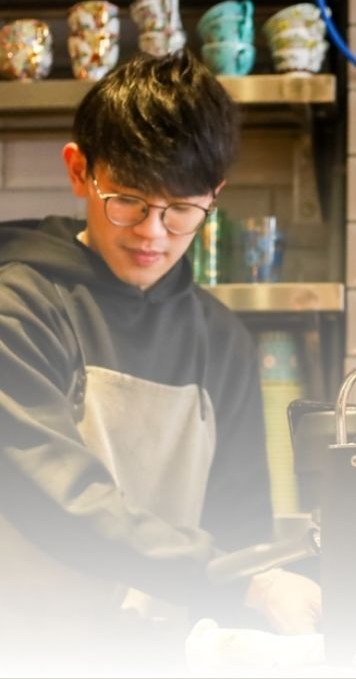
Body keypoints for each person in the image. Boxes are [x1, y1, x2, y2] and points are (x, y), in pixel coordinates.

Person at [0, 51, 321, 672]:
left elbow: (239, 525)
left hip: (166, 657)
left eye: (181, 210)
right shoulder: (21, 309)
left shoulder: (221, 339)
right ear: (79, 171)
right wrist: (244, 581)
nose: (152, 232)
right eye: (128, 201)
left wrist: (261, 597)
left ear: (214, 197)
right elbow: (59, 501)